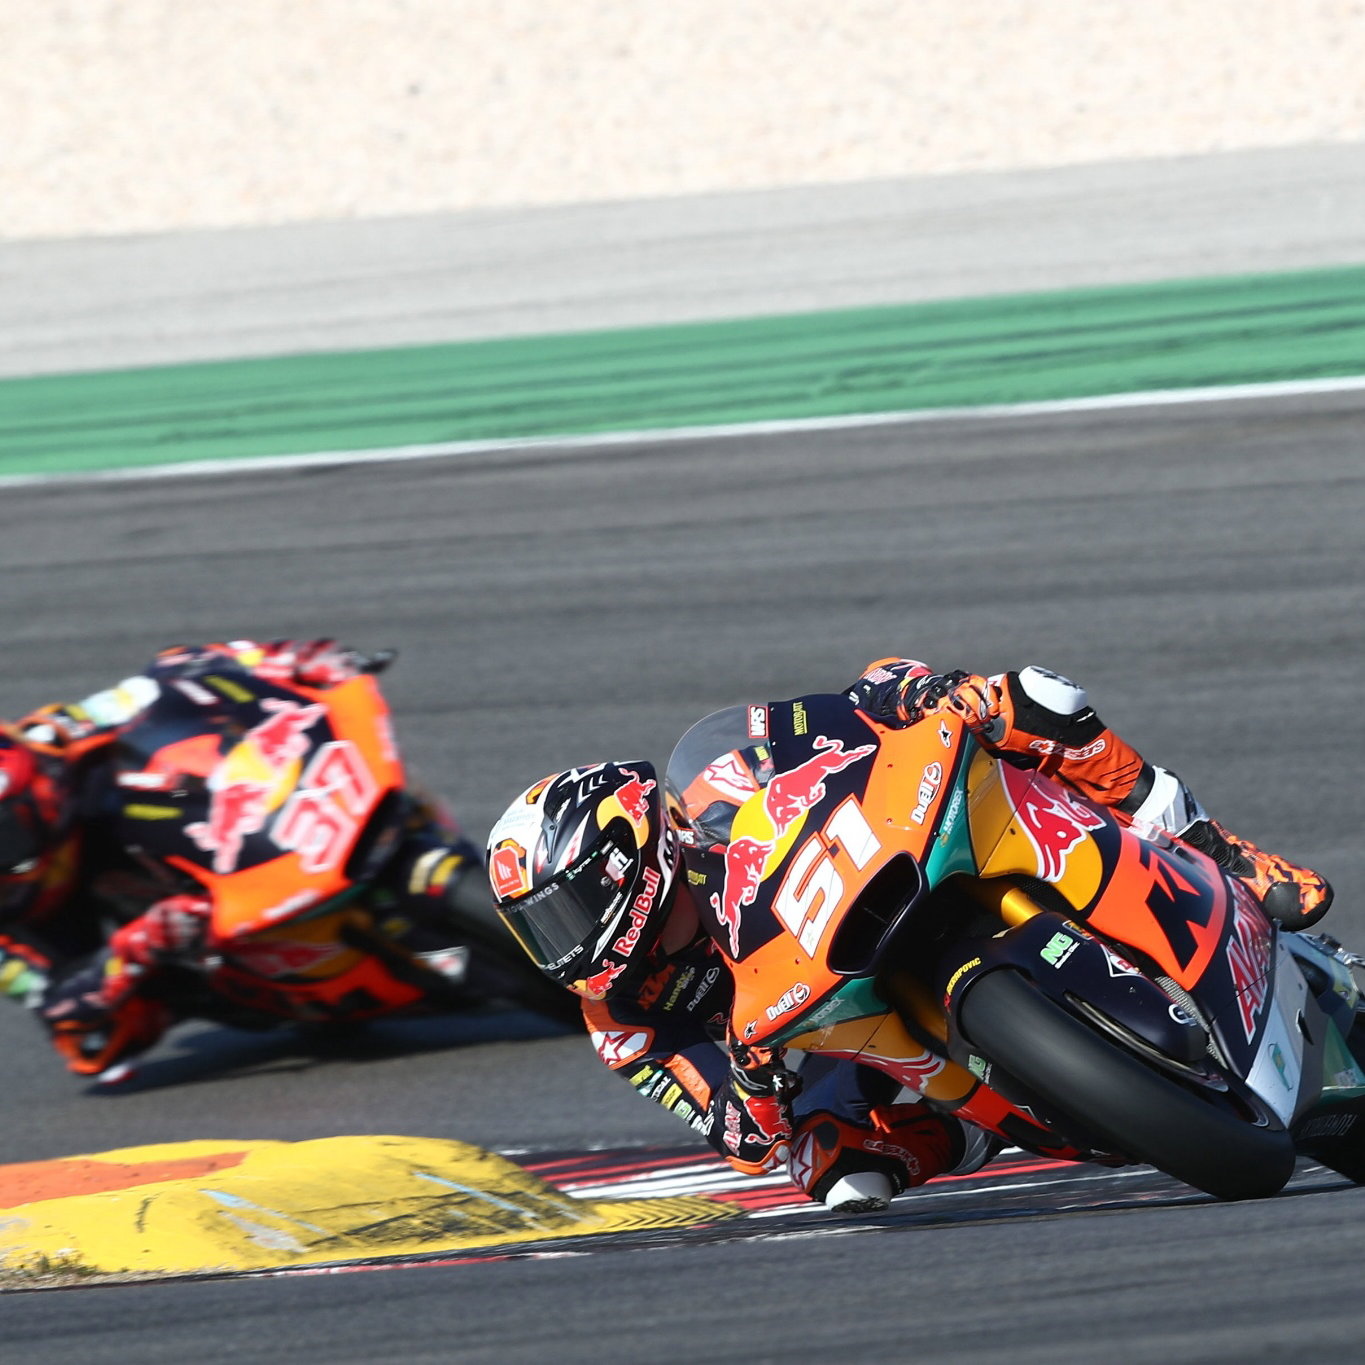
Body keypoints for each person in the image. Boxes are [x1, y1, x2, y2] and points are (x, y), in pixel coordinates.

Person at [484, 659, 1333, 1214]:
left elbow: (852, 708)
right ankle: (986, 1119)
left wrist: (918, 696)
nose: (558, 946)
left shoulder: (714, 777)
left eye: (559, 912)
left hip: (889, 856)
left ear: (623, 856)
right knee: (826, 1165)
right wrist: (754, 1076)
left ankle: (1210, 847)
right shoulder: (621, 1020)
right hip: (826, 1032)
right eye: (535, 929)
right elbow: (741, 1137)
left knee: (1027, 697)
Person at [0, 639, 490, 1076]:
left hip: (193, 833)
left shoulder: (56, 739)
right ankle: (256, 977)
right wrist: (141, 944)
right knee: (105, 1037)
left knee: (176, 759)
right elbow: (60, 1010)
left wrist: (292, 660)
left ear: (34, 790)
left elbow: (177, 669)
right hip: (151, 945)